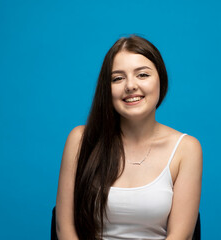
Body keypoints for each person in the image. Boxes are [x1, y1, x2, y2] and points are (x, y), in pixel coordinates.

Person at [56, 35, 203, 240]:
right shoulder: (81, 140)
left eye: (142, 75)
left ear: (160, 79)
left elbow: (181, 235)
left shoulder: (186, 148)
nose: (130, 86)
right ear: (107, 89)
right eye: (118, 78)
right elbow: (65, 230)